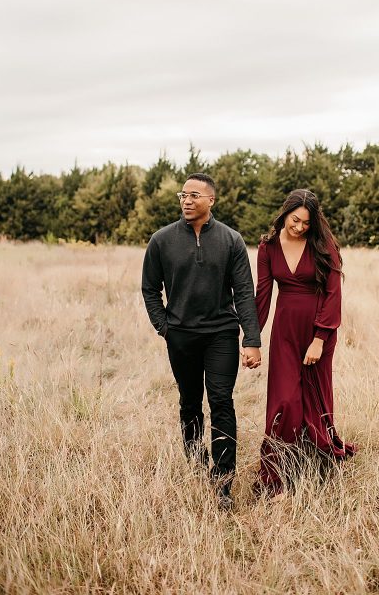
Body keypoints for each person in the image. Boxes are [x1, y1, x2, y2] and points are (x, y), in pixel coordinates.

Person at [141, 172, 262, 510]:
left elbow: (244, 294)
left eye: (195, 195)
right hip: (181, 337)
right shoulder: (161, 240)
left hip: (221, 333)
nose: (187, 200)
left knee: (221, 401)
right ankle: (197, 464)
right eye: (183, 195)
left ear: (211, 200)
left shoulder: (231, 240)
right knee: (190, 401)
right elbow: (150, 289)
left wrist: (251, 338)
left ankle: (224, 481)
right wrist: (165, 327)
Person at [254, 189, 355, 495]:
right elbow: (262, 294)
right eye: (294, 220)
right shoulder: (268, 247)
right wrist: (251, 338)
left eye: (305, 223)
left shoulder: (323, 245)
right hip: (285, 330)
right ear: (284, 213)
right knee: (285, 400)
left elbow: (332, 293)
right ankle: (277, 472)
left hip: (317, 330)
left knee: (315, 397)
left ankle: (318, 462)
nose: (298, 227)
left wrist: (320, 338)